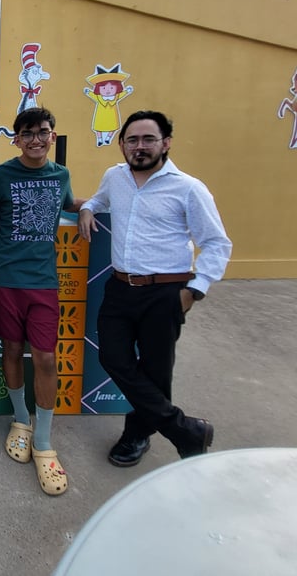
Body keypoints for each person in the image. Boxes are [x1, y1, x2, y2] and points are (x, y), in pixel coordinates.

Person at [78, 110, 232, 466]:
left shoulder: (189, 188)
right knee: (112, 357)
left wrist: (194, 290)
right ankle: (186, 431)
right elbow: (99, 200)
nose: (140, 147)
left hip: (166, 292)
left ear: (166, 143)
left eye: (148, 139)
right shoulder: (115, 177)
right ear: (122, 145)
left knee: (155, 370)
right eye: (132, 140)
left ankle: (136, 437)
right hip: (119, 287)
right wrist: (87, 208)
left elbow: (217, 243)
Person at [0, 107, 82, 496]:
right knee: (11, 348)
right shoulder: (0, 176)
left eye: (43, 132)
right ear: (17, 138)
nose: (36, 139)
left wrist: (89, 207)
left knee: (44, 357)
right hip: (6, 280)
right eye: (28, 133)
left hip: (43, 282)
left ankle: (43, 440)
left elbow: (70, 204)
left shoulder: (61, 175)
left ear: (53, 136)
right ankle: (20, 421)